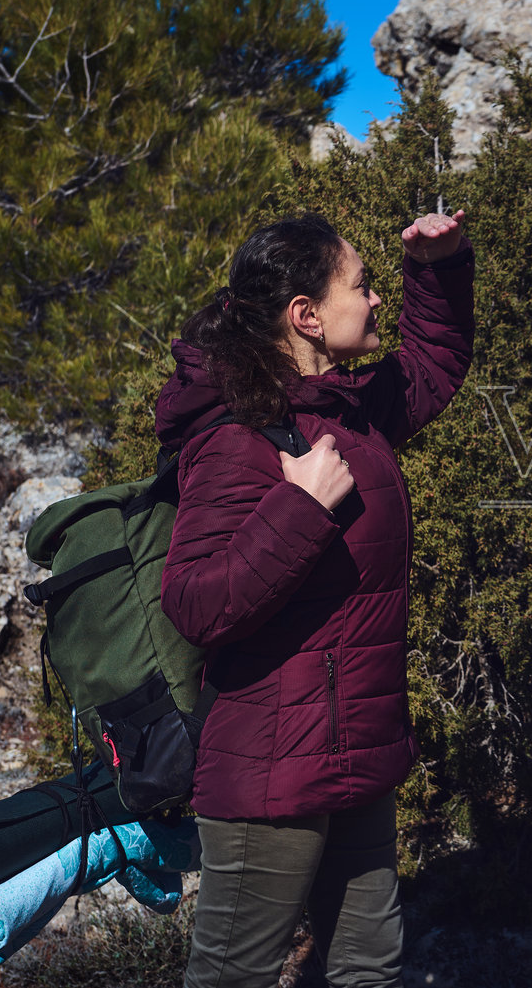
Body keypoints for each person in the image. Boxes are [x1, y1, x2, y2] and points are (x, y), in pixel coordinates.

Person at [153, 208, 474, 988]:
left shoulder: (343, 412)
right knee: (233, 976)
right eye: (361, 287)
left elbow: (430, 367)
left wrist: (439, 265)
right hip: (271, 775)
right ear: (306, 316)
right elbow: (195, 601)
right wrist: (298, 509)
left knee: (369, 968)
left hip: (357, 753)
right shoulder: (239, 438)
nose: (373, 302)